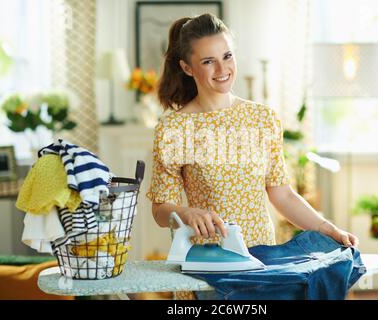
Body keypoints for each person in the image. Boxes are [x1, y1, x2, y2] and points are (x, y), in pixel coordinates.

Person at [146, 13, 359, 299]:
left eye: (227, 56)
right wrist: (186, 213)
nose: (222, 68)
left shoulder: (262, 118)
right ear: (187, 67)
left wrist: (327, 228)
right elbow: (161, 209)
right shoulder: (174, 128)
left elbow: (282, 194)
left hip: (263, 266)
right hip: (207, 272)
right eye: (208, 61)